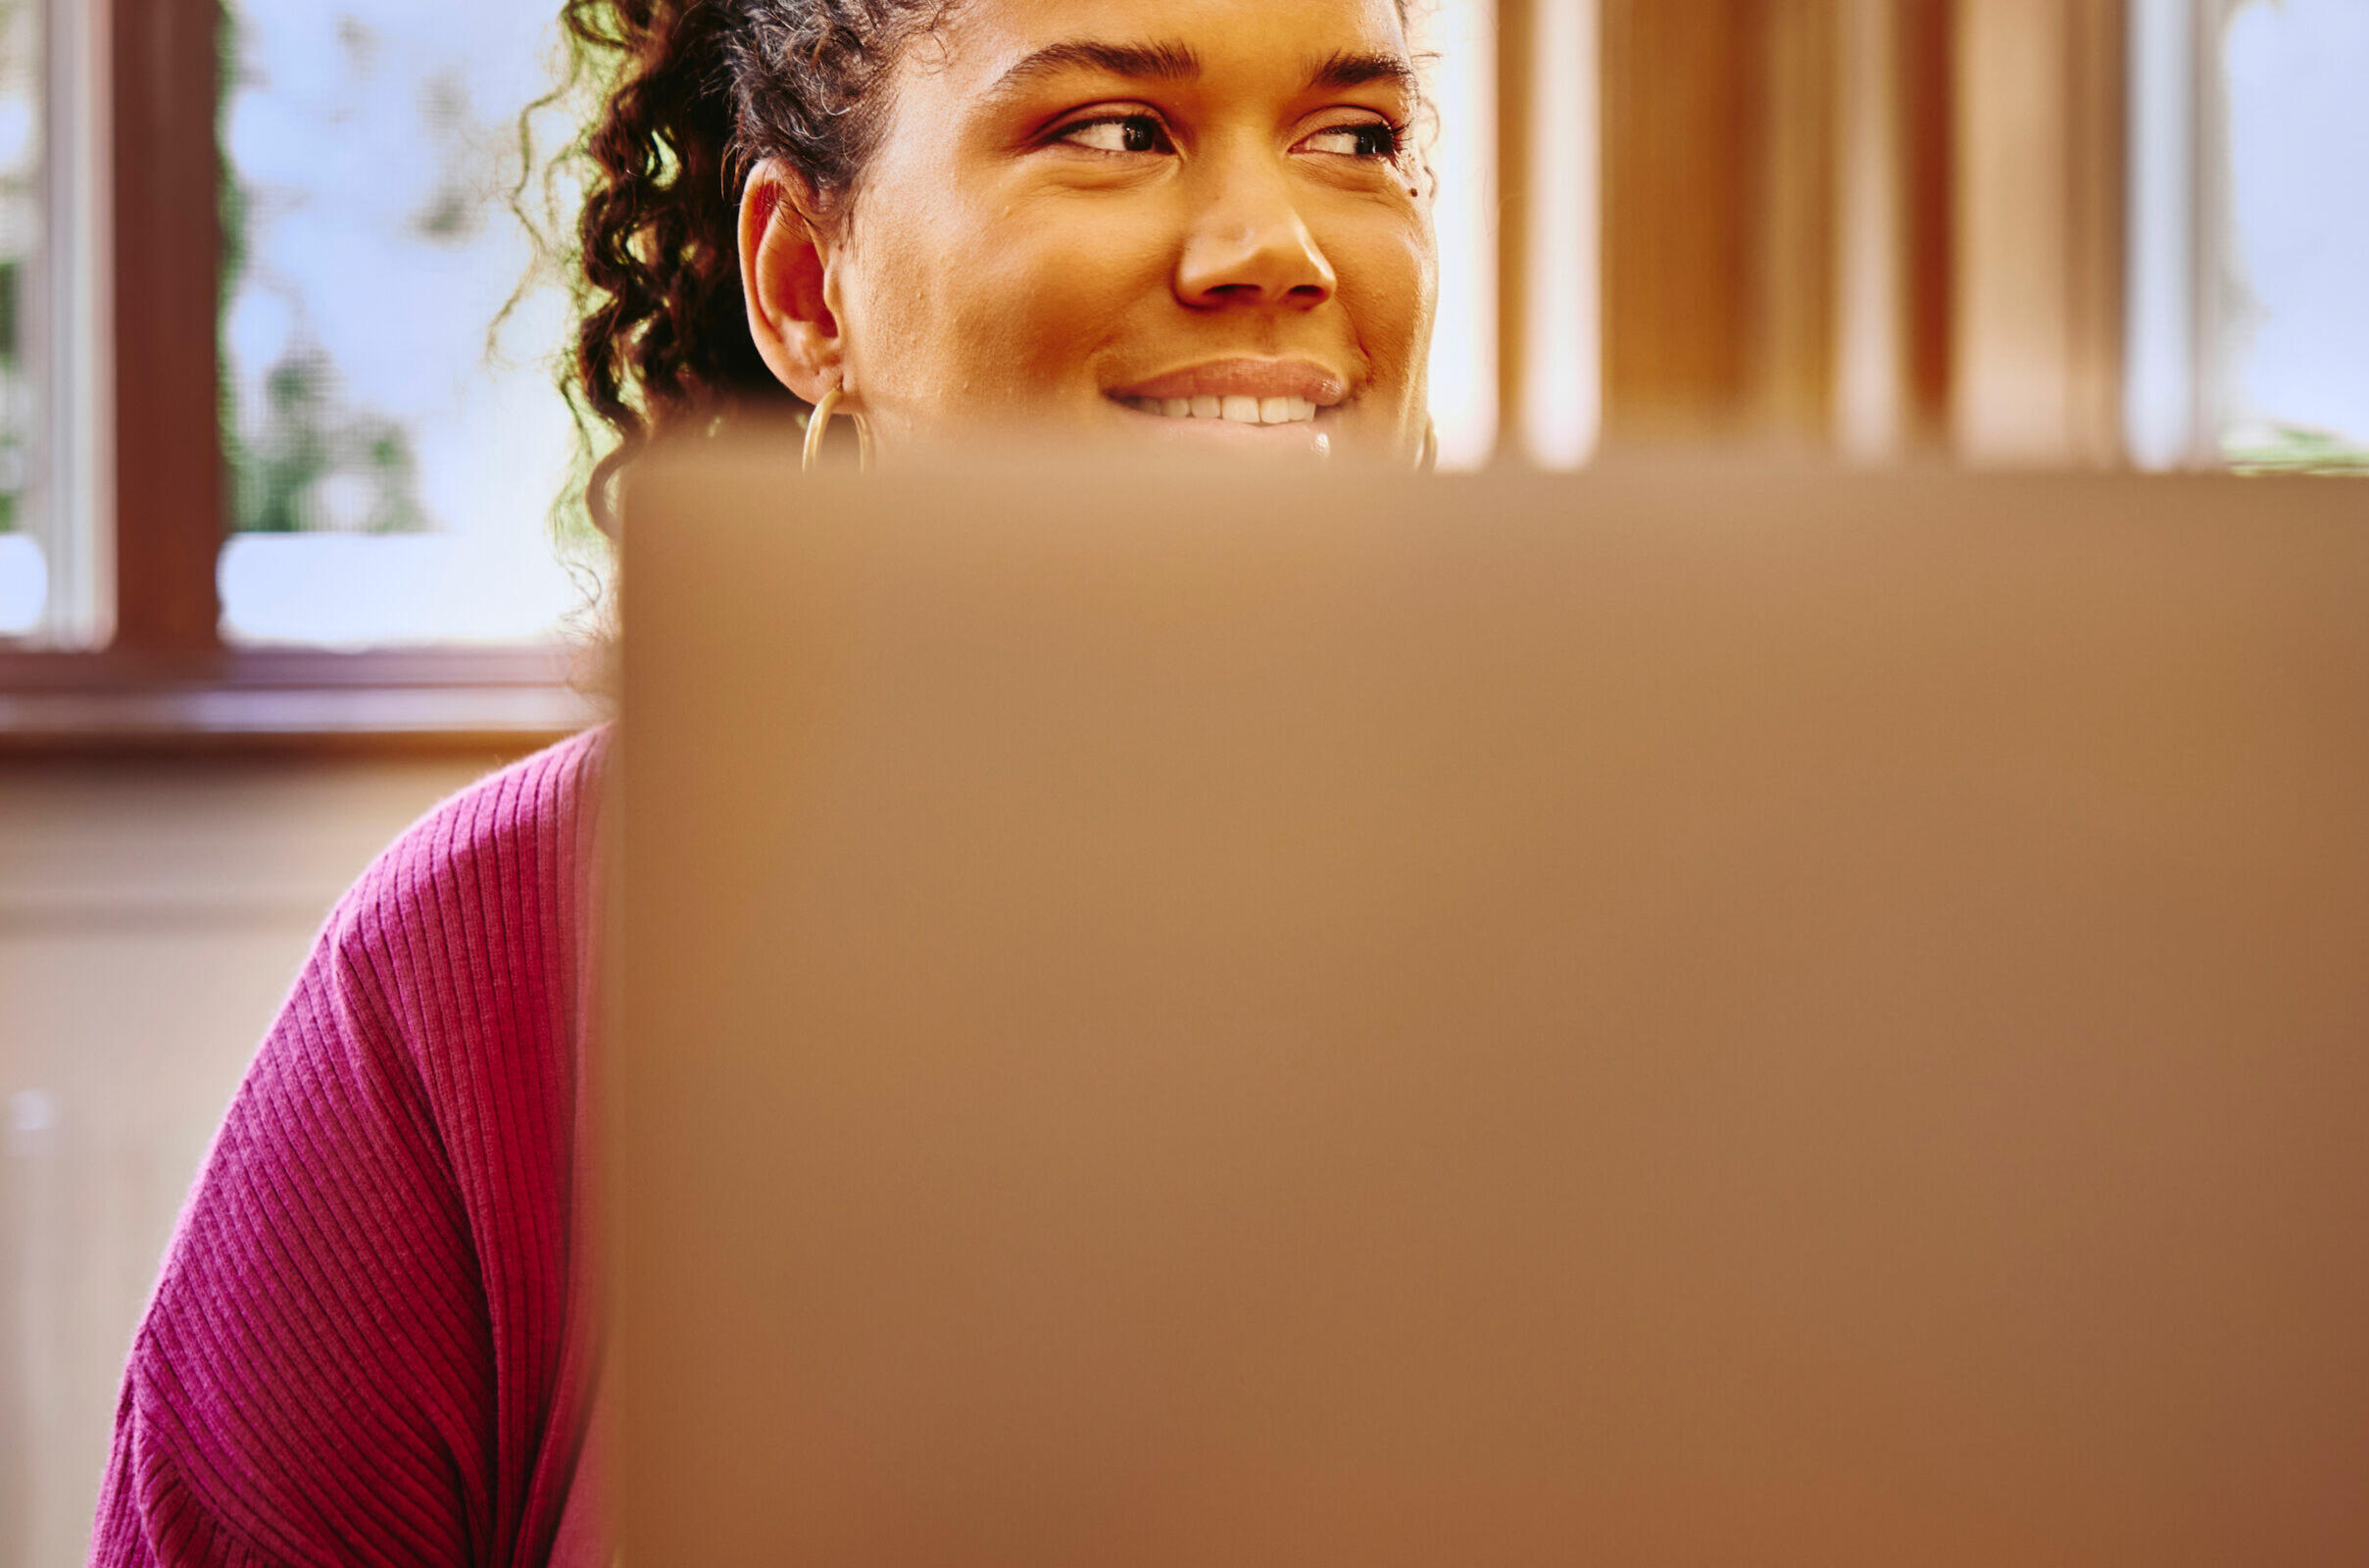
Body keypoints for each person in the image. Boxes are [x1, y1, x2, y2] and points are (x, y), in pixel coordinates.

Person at [89, 1, 1437, 1562]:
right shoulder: (484, 971)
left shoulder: (1623, 941)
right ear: (810, 291)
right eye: (1114, 131)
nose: (1276, 247)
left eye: (1359, 140)